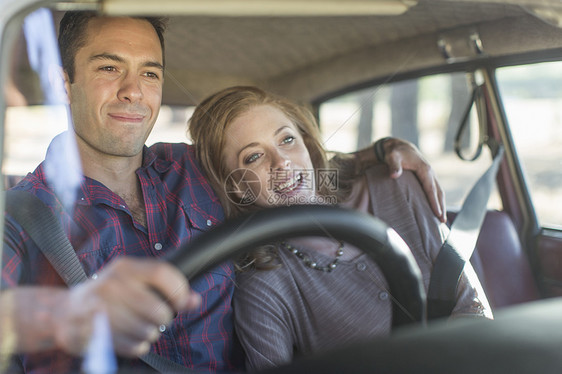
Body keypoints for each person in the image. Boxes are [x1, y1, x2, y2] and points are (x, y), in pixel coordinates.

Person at [1, 11, 445, 373]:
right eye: (109, 67)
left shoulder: (191, 167)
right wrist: (64, 314)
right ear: (65, 83)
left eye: (150, 73)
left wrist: (382, 152)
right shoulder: (20, 218)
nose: (133, 90)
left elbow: (290, 169)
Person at [187, 86, 493, 371]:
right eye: (254, 157)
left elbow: (475, 309)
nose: (281, 162)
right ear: (237, 187)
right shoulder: (264, 285)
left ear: (306, 143)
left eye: (287, 140)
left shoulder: (396, 184)